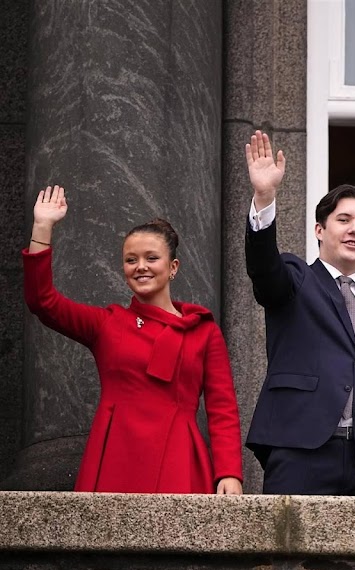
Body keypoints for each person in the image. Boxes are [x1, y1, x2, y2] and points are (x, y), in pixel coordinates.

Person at [23, 185, 243, 494]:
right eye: (131, 260)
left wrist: (229, 473)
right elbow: (42, 301)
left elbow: (223, 409)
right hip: (116, 455)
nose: (140, 267)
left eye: (151, 258)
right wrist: (42, 228)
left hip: (179, 458)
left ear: (173, 267)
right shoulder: (108, 323)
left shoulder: (203, 331)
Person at [244, 131, 355, 496]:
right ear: (320, 230)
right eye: (343, 219)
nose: (354, 229)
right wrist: (264, 198)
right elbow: (263, 268)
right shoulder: (295, 279)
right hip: (300, 451)